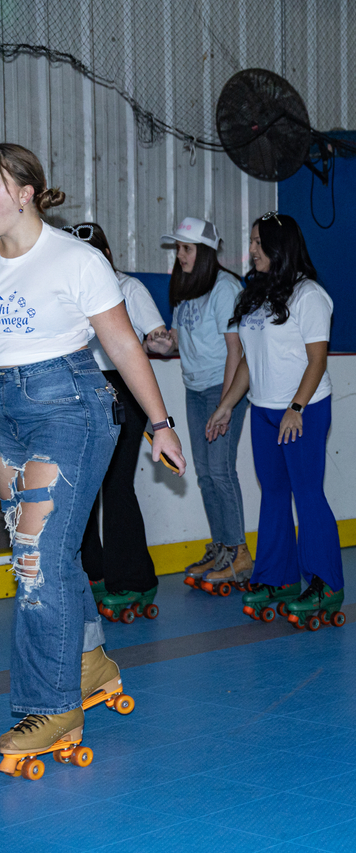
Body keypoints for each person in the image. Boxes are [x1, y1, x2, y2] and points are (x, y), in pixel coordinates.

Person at [0, 143, 184, 762]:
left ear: (25, 191)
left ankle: (49, 708)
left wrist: (160, 423)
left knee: (34, 557)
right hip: (6, 417)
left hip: (68, 408)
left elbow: (126, 347)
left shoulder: (76, 260)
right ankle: (90, 662)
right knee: (46, 552)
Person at [206, 212, 344, 629]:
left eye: (257, 243)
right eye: (251, 243)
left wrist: (297, 408)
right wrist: (227, 404)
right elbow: (249, 360)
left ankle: (325, 583)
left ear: (279, 247)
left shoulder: (309, 296)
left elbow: (317, 360)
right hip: (265, 410)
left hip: (303, 410)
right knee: (273, 493)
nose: (251, 251)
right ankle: (277, 578)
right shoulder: (257, 296)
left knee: (307, 493)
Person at [66, 223, 168, 621]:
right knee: (86, 482)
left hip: (124, 386)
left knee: (116, 482)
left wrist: (160, 341)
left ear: (106, 255)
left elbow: (154, 336)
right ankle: (95, 572)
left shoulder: (129, 288)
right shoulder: (71, 288)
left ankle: (136, 579)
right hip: (84, 388)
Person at [147, 217, 252, 590]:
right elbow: (175, 340)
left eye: (186, 249)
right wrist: (157, 342)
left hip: (220, 390)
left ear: (205, 252)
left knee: (221, 471)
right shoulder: (188, 289)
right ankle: (223, 546)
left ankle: (240, 553)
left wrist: (225, 404)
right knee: (206, 474)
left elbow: (235, 350)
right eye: (178, 248)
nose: (180, 255)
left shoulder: (225, 288)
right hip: (195, 390)